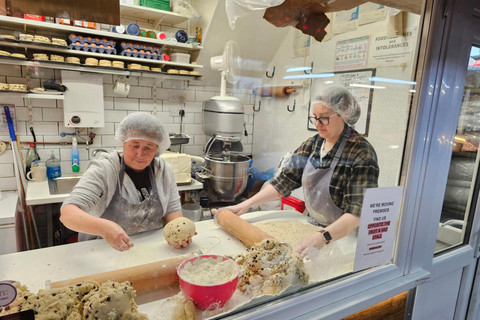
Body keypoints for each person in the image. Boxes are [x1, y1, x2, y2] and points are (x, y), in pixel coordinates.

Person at [221, 86, 379, 256]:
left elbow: (357, 212)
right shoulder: (314, 144)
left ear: (344, 115)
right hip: (312, 227)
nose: (318, 124)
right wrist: (245, 205)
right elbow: (284, 181)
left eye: (324, 118)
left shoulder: (361, 153)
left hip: (344, 238)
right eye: (315, 118)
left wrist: (324, 236)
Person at [61, 113, 193, 251]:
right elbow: (68, 214)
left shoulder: (164, 170)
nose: (140, 154)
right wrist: (105, 228)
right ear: (124, 142)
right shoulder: (105, 169)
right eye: (135, 145)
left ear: (157, 149)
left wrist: (180, 229)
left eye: (148, 147)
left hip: (150, 249)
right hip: (102, 250)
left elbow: (172, 210)